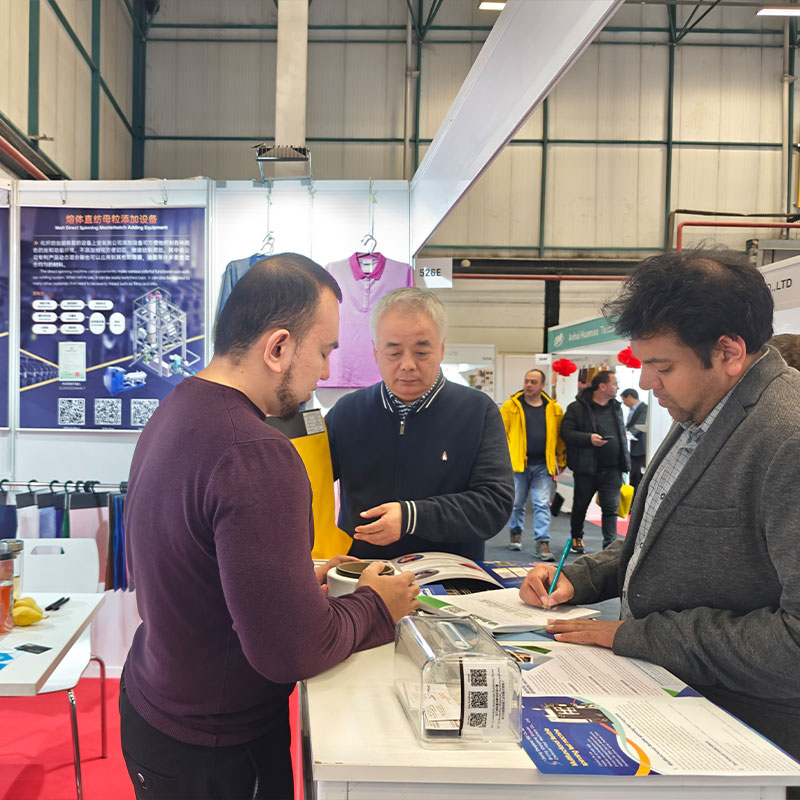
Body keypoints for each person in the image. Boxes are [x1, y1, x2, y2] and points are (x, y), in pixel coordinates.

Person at [120, 254, 419, 800]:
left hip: (157, 703)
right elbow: (291, 650)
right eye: (324, 351)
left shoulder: (178, 408)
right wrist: (377, 605)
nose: (325, 372)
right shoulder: (255, 451)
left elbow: (193, 561)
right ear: (278, 348)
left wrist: (291, 581)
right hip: (216, 747)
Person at [519, 248, 800, 761]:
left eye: (661, 366)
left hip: (746, 735)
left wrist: (640, 637)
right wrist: (582, 577)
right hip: (672, 701)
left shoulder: (787, 436)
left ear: (729, 352)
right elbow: (660, 534)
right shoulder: (704, 408)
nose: (647, 382)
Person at [325, 287, 514, 562]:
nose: (408, 365)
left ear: (442, 349)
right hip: (363, 574)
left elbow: (494, 504)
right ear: (376, 352)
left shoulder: (478, 411)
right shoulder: (346, 412)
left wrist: (412, 517)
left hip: (450, 576)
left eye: (422, 352)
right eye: (393, 353)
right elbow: (305, 482)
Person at [560, 370, 630, 553]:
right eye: (614, 384)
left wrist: (625, 463)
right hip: (586, 468)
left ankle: (609, 544)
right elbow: (566, 433)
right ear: (602, 386)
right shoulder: (577, 408)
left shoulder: (616, 408)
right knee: (580, 505)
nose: (617, 388)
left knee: (611, 508)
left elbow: (621, 436)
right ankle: (577, 537)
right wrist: (588, 438)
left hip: (613, 468)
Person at [500, 368, 566, 560]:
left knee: (541, 504)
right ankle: (515, 532)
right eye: (527, 381)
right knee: (516, 503)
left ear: (543, 385)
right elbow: (501, 434)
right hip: (517, 464)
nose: (528, 385)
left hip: (543, 465)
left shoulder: (554, 409)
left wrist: (562, 460)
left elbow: (560, 438)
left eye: (533, 382)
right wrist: (503, 459)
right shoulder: (510, 406)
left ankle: (542, 541)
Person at [621, 387, 647, 491]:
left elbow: (640, 424)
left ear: (630, 397)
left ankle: (636, 497)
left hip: (640, 448)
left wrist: (629, 432)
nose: (624, 403)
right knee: (633, 475)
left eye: (624, 400)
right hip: (632, 446)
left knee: (637, 476)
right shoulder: (631, 410)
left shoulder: (645, 408)